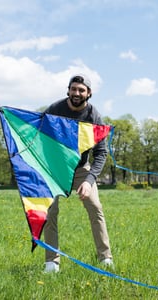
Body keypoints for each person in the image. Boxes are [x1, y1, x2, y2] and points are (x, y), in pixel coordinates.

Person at [42, 74, 113, 273]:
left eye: (81, 90)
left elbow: (101, 153)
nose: (77, 93)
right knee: (50, 212)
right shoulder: (55, 110)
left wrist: (89, 181)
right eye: (73, 89)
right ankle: (51, 261)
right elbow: (38, 135)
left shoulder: (93, 116)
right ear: (68, 90)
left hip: (81, 169)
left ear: (89, 93)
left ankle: (105, 257)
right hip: (55, 169)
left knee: (95, 207)